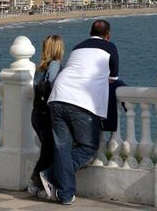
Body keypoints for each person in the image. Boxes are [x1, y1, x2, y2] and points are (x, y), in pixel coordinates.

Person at [40, 20, 119, 205]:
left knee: (62, 148)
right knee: (89, 147)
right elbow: (113, 78)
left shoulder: (78, 47)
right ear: (108, 35)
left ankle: (66, 194)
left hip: (57, 97)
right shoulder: (110, 47)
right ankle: (51, 174)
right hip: (80, 102)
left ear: (89, 32)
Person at [28, 35, 64, 197]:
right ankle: (38, 181)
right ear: (58, 48)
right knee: (49, 150)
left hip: (36, 113)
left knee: (47, 149)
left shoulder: (40, 67)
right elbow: (51, 83)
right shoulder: (55, 64)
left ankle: (38, 184)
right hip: (46, 113)